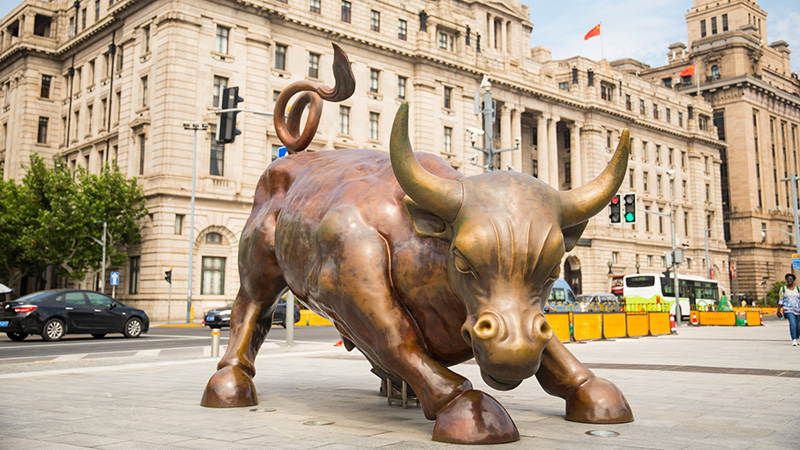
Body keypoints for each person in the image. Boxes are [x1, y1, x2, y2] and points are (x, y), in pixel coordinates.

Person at [778, 273, 800, 346]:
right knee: (793, 323)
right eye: (788, 279)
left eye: (791, 279)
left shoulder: (798, 289)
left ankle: (797, 337)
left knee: (798, 325)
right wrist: (779, 310)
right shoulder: (783, 289)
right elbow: (781, 300)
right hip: (788, 309)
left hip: (798, 309)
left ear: (793, 280)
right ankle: (793, 339)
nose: (789, 280)